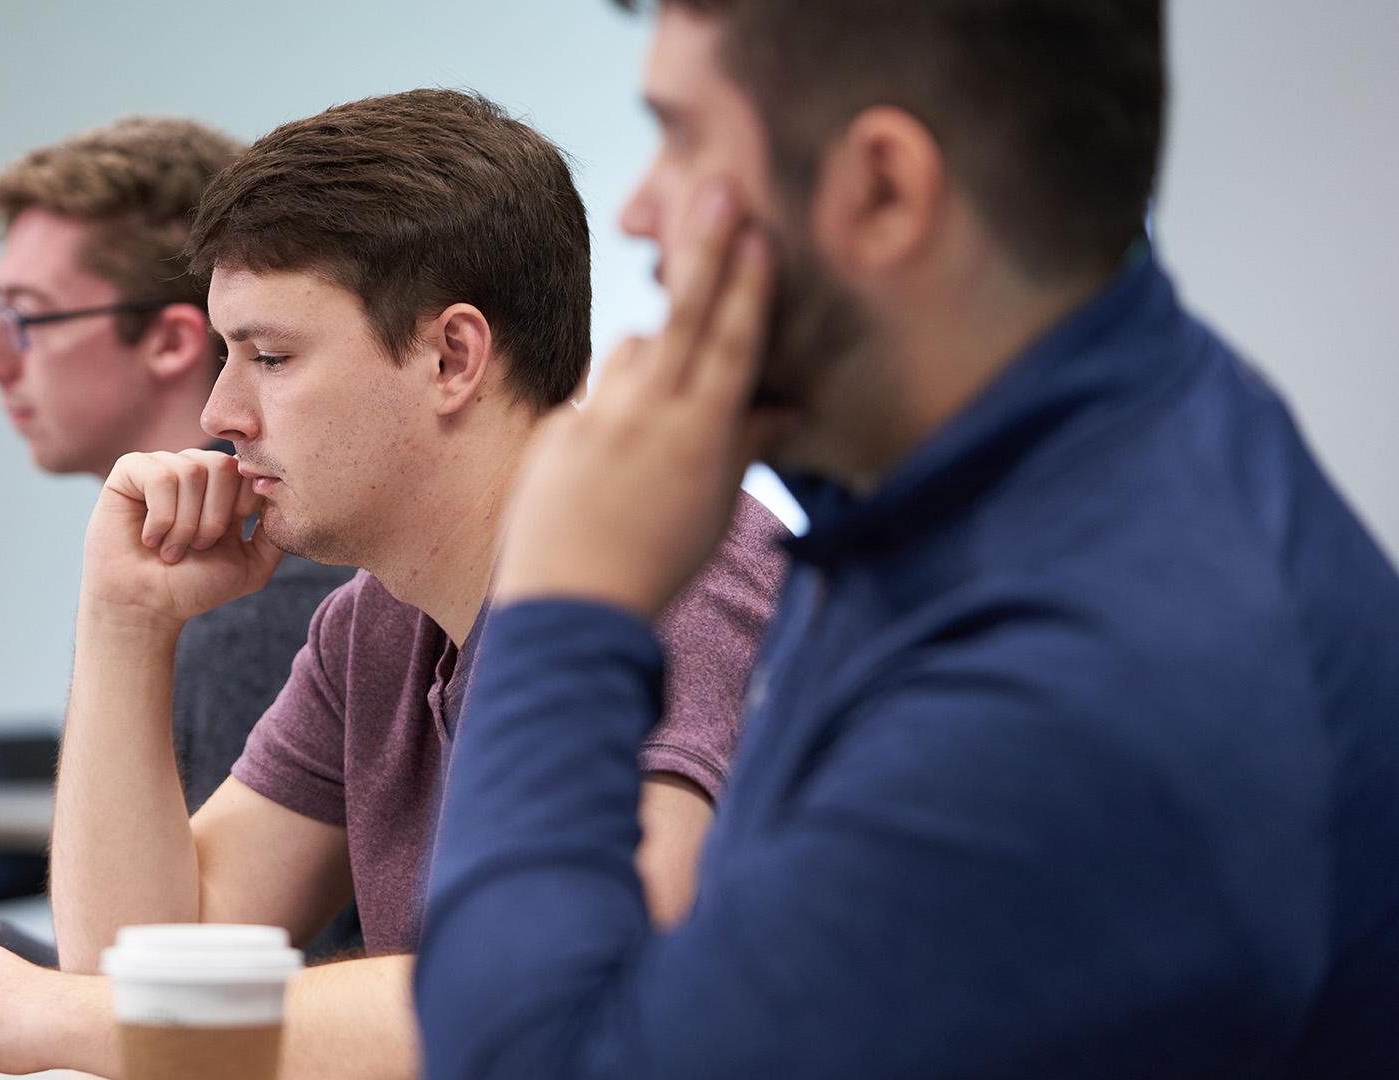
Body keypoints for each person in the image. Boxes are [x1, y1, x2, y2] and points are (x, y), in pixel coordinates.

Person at [415, 1, 1399, 1076]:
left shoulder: (1078, 698)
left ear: (883, 190)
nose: (642, 210)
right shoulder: (980, 468)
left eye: (683, 136)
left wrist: (563, 600)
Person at [0, 89, 789, 1078]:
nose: (219, 410)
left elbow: (582, 992)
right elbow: (137, 964)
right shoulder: (373, 623)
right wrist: (125, 622)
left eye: (271, 357)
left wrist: (55, 1018)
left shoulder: (673, 577)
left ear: (452, 357)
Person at [0, 116, 357, 967]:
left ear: (166, 342)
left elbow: (205, 994)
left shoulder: (277, 601)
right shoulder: (224, 585)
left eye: (26, 318)